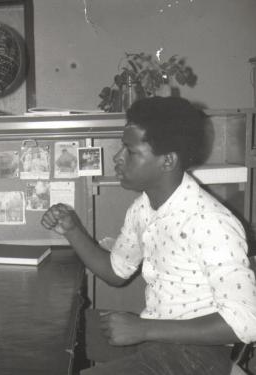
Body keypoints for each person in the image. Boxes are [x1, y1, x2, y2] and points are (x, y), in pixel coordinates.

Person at [41, 97, 256, 375]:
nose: (117, 157)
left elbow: (248, 321)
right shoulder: (143, 208)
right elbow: (116, 271)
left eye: (130, 151)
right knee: (58, 332)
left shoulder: (210, 222)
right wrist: (72, 229)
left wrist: (143, 328)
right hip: (160, 338)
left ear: (167, 160)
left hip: (202, 356)